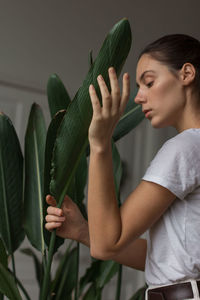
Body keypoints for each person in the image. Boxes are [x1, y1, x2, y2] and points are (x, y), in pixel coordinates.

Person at [45, 34, 200, 300]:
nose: (139, 98)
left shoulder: (184, 149)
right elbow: (161, 259)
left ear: (186, 73)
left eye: (149, 82)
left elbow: (106, 245)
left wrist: (100, 143)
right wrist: (84, 231)